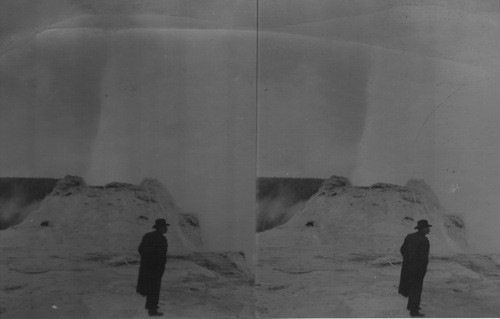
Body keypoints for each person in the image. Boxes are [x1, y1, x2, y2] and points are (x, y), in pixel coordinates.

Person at [137, 218, 169, 316]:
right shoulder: (162, 239)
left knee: (149, 286)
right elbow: (161, 256)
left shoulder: (147, 235)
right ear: (161, 228)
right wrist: (159, 268)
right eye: (165, 227)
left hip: (146, 267)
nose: (167, 229)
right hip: (156, 268)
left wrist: (146, 260)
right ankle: (152, 310)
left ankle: (149, 305)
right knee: (154, 288)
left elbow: (140, 249)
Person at [398, 219, 431, 317]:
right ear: (422, 229)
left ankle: (410, 306)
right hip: (417, 268)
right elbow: (423, 257)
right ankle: (414, 311)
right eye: (427, 228)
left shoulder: (409, 236)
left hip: (407, 267)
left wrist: (408, 260)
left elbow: (402, 250)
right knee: (416, 288)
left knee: (410, 286)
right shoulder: (424, 240)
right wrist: (423, 267)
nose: (429, 229)